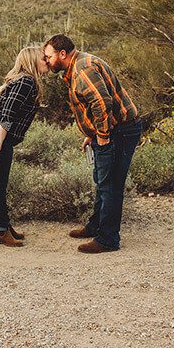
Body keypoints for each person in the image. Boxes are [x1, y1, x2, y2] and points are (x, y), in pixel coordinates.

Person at [41, 34, 144, 253]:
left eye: (48, 57)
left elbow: (101, 102)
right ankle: (96, 226)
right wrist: (92, 133)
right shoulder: (78, 65)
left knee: (110, 185)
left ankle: (107, 240)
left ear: (62, 54)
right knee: (102, 180)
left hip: (120, 131)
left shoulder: (82, 69)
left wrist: (103, 135)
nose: (46, 61)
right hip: (114, 129)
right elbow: (94, 103)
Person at [0, 48, 45, 247]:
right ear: (32, 61)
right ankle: (1, 231)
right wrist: (0, 141)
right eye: (42, 58)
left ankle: (4, 227)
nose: (46, 60)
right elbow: (8, 114)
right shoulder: (26, 81)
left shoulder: (25, 80)